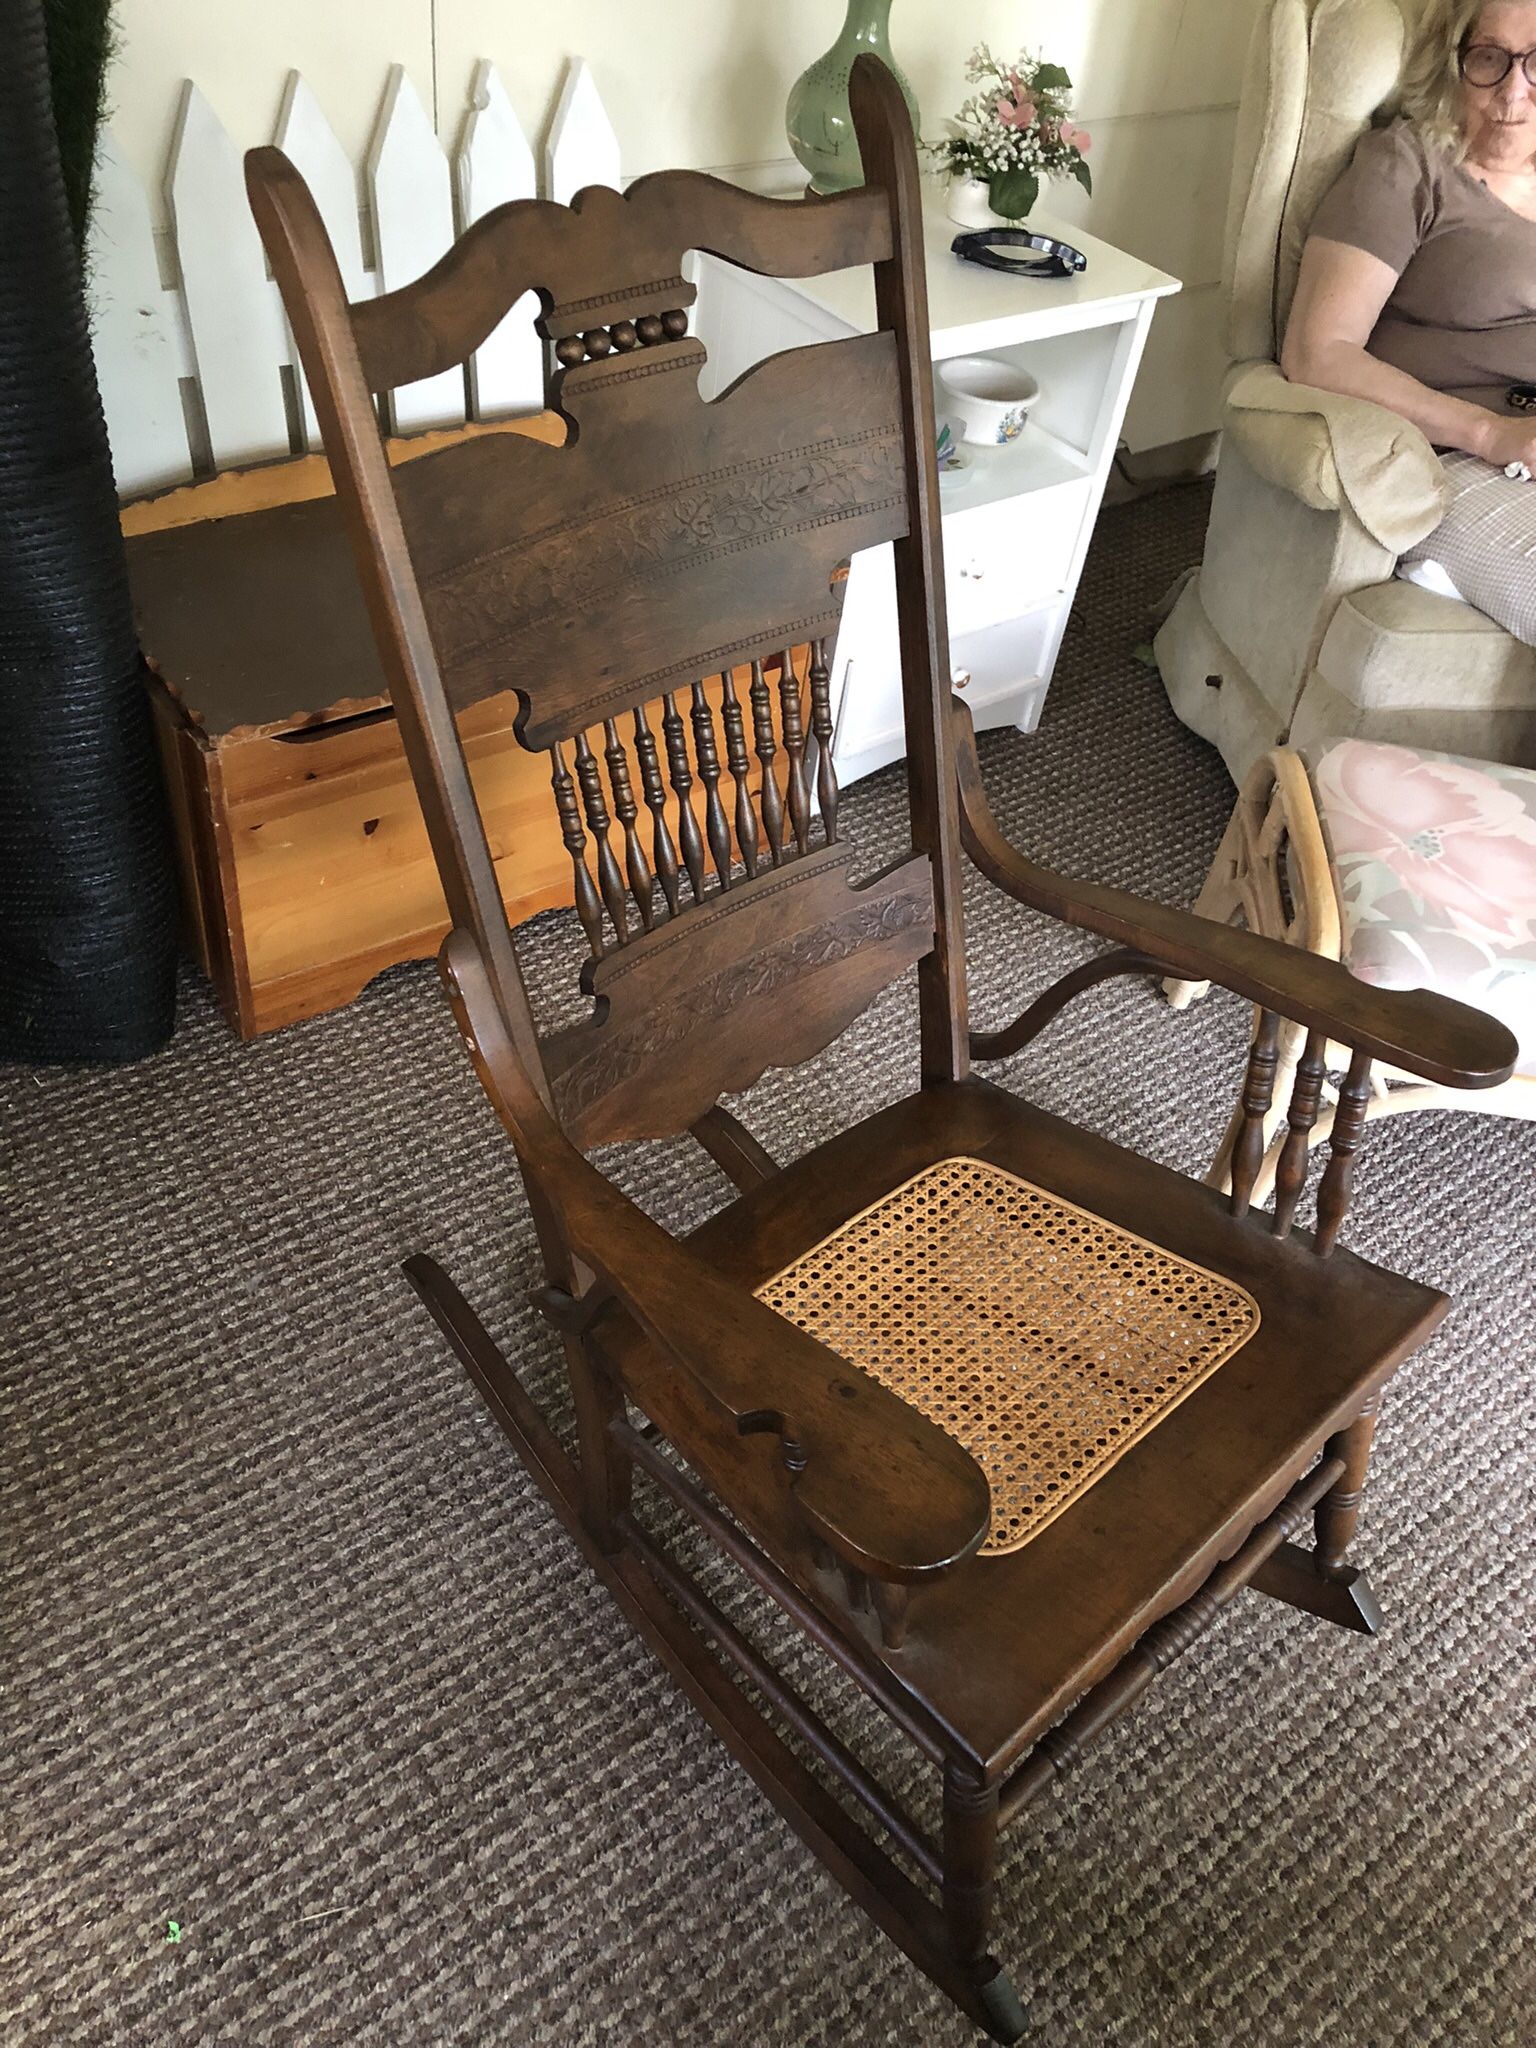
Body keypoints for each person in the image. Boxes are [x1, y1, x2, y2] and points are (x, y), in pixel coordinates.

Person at [1283, 0, 1536, 645]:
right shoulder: (1408, 167)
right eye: (1490, 58)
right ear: (1455, 64)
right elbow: (1318, 351)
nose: (1513, 89)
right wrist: (1491, 432)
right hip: (1457, 460)